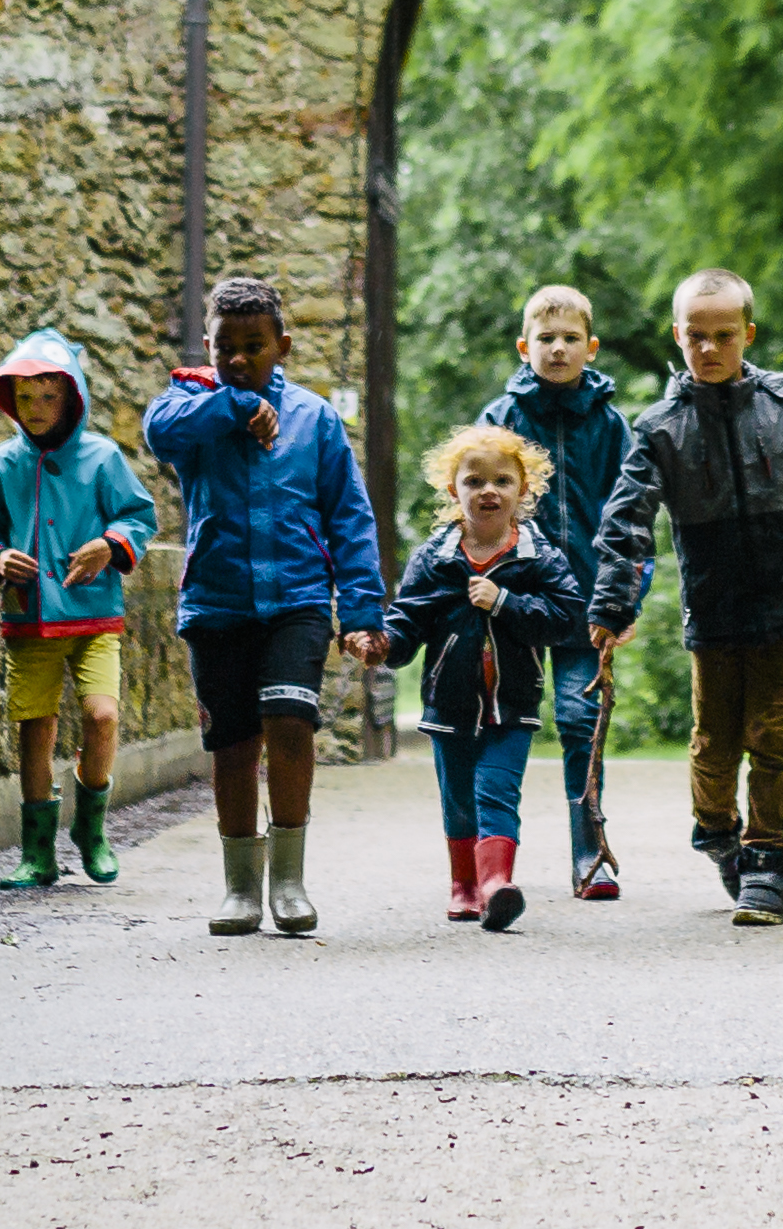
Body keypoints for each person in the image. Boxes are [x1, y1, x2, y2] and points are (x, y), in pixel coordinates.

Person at [584, 270, 783, 926]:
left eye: (724, 335)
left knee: (774, 737)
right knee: (715, 743)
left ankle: (767, 860)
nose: (710, 348)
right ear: (678, 336)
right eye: (696, 336)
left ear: (747, 335)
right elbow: (626, 522)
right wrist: (612, 605)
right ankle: (716, 830)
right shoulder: (661, 427)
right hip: (714, 608)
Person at [145, 277, 383, 941]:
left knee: (289, 721)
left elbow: (350, 517)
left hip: (298, 599)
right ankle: (240, 887)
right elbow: (157, 431)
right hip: (217, 604)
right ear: (208, 345)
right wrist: (232, 406)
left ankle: (288, 879)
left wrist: (363, 611)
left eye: (255, 346)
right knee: (232, 743)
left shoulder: (315, 418)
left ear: (282, 344)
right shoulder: (190, 408)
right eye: (227, 347)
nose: (240, 358)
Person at [0, 332, 151, 889]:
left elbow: (139, 516)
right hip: (29, 614)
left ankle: (91, 831)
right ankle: (37, 852)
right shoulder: (0, 464)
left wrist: (110, 545)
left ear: (71, 396)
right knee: (35, 728)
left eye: (47, 397)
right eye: (24, 398)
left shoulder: (103, 457)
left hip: (93, 613)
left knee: (102, 715)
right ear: (9, 400)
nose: (35, 410)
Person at [380, 430, 581, 928]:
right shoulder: (435, 558)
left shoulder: (539, 556)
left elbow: (566, 616)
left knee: (497, 791)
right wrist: (383, 644)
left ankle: (496, 885)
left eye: (502, 480)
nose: (488, 490)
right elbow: (408, 619)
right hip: (448, 702)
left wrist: (507, 601)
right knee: (458, 797)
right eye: (474, 481)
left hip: (512, 702)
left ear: (523, 490)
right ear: (453, 490)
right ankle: (464, 884)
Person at [477, 285, 632, 899]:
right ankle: (493, 864)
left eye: (570, 338)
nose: (558, 348)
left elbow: (631, 517)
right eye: (546, 339)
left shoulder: (611, 425)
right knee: (505, 721)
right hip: (512, 601)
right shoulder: (502, 421)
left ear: (591, 348)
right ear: (524, 347)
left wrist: (624, 596)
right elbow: (475, 505)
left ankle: (589, 855)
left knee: (580, 717)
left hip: (585, 601)